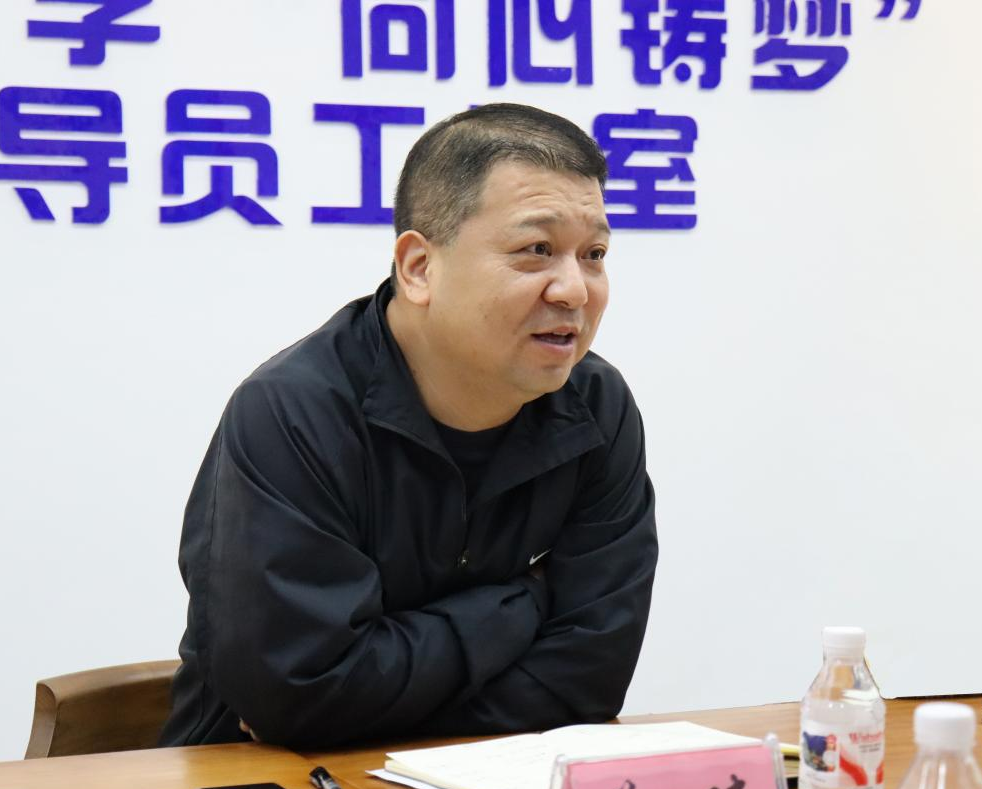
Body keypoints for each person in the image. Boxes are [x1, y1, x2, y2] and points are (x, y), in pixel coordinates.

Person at [160, 103, 658, 750]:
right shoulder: (293, 412)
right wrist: (521, 604)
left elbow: (591, 678)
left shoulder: (596, 406)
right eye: (536, 250)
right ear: (419, 267)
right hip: (266, 783)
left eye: (593, 254)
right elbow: (301, 696)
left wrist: (377, 697)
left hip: (497, 780)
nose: (574, 290)